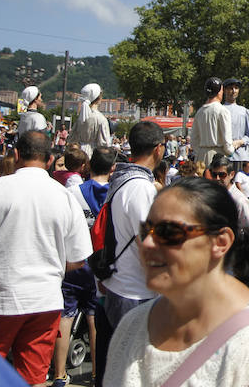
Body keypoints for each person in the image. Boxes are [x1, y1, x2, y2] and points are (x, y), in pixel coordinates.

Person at [105, 177, 249, 385]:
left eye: (169, 232)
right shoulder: (132, 325)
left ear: (220, 242)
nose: (147, 243)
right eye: (146, 230)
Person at [0, 131, 92, 386]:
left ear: (17, 154)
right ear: (51, 159)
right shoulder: (64, 196)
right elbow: (78, 259)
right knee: (32, 378)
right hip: (44, 301)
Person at [93, 121, 165, 384]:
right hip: (134, 292)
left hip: (118, 284)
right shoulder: (141, 188)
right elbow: (149, 243)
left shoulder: (121, 180)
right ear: (159, 149)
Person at [52, 146, 116, 386]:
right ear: (112, 168)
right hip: (99, 265)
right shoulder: (115, 194)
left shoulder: (73, 192)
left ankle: (59, 374)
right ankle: (95, 374)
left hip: (73, 262)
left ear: (89, 166)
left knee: (65, 317)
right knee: (93, 319)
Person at [191, 77, 244, 166]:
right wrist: (235, 145)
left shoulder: (200, 112)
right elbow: (227, 143)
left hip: (200, 158)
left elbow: (194, 141)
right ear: (220, 91)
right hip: (217, 158)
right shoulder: (222, 111)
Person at [67, 83, 112, 160]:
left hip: (78, 154)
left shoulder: (81, 117)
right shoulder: (101, 118)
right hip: (93, 155)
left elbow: (71, 138)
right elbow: (104, 144)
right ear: (99, 98)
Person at [208, 153, 249, 230]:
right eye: (214, 175)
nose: (217, 178)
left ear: (232, 175)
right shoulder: (212, 196)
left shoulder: (239, 200)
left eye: (222, 175)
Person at [223, 77, 249, 164]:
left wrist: (240, 142)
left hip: (241, 157)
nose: (233, 91)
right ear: (225, 90)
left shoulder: (244, 111)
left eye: (236, 88)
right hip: (223, 156)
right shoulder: (220, 109)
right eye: (230, 88)